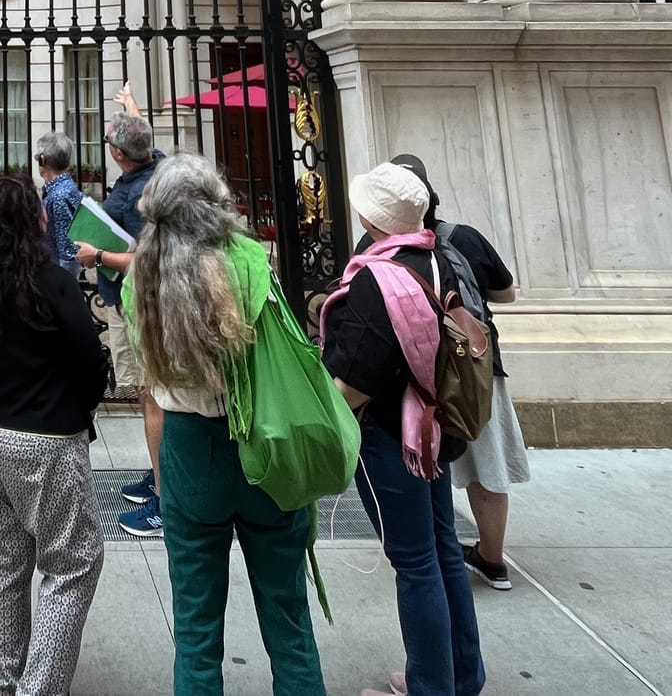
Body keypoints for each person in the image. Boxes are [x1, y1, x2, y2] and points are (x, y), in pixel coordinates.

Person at [128, 154, 327, 696]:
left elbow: (148, 374)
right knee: (289, 623)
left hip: (190, 448)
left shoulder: (141, 270)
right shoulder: (248, 258)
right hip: (263, 442)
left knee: (194, 629)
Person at [318, 161, 485, 696]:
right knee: (441, 549)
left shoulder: (377, 277)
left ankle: (431, 685)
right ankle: (462, 675)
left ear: (373, 217)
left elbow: (356, 380)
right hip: (435, 426)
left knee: (414, 562)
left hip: (393, 436)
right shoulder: (442, 260)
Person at [0, 175, 109, 696]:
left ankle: (6, 678)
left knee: (2, 558)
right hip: (42, 436)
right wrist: (77, 407)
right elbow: (91, 360)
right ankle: (38, 688)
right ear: (34, 222)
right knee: (74, 562)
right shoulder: (52, 280)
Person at [390, 154, 526, 594]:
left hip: (413, 375)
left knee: (419, 457)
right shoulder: (463, 236)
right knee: (486, 461)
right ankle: (492, 557)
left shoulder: (381, 245)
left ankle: (430, 549)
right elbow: (505, 292)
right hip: (475, 366)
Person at [70, 85, 165, 537]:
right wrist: (131, 108)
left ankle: (167, 498)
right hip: (145, 301)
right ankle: (161, 471)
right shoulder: (160, 167)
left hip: (140, 304)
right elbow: (142, 135)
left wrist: (98, 257)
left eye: (111, 143)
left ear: (120, 156)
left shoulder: (136, 196)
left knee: (153, 395)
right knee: (153, 393)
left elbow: (150, 256)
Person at [34, 130, 82, 275]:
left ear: (43, 160)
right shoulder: (66, 188)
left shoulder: (59, 196)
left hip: (55, 276)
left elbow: (67, 252)